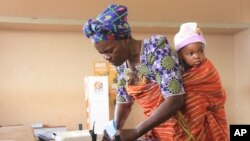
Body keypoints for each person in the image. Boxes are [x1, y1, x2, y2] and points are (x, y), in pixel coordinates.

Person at [83, 4, 185, 141]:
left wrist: (136, 131)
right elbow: (123, 100)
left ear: (126, 38)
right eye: (102, 54)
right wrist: (115, 130)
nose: (106, 57)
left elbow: (175, 99)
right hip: (160, 127)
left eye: (109, 50)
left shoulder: (155, 49)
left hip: (184, 124)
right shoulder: (122, 66)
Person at [173, 22, 229, 141]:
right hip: (189, 115)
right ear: (181, 55)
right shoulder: (176, 72)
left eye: (200, 51)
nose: (197, 56)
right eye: (191, 53)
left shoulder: (207, 69)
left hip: (210, 114)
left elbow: (216, 92)